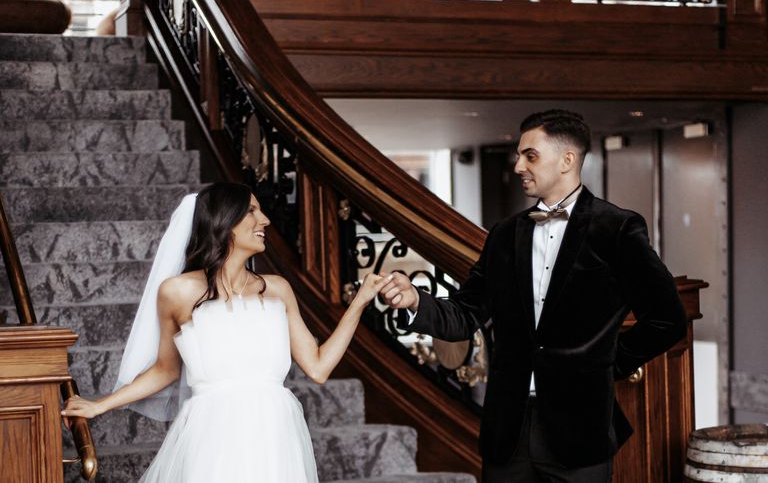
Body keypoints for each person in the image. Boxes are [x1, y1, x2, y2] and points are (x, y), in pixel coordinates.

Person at [379, 109, 687, 483]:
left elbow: (667, 318)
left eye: (530, 155)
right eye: (519, 154)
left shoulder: (617, 228)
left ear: (566, 160)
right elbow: (465, 314)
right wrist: (416, 301)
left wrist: (605, 364)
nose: (518, 164)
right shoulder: (505, 235)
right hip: (509, 432)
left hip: (580, 431)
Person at [62, 182, 388, 483]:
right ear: (224, 220)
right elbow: (165, 369)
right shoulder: (177, 292)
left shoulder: (277, 289)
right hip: (213, 433)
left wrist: (360, 301)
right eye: (251, 211)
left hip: (274, 432)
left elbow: (318, 368)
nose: (265, 221)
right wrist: (99, 405)